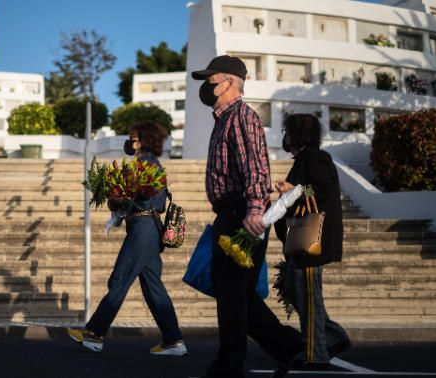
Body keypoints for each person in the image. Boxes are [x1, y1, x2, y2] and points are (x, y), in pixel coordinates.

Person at [191, 55, 303, 378]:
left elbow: (254, 166)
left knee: (232, 294)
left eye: (210, 80)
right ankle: (290, 347)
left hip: (242, 211)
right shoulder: (224, 119)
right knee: (236, 294)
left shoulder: (241, 117)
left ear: (228, 83)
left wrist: (255, 209)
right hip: (230, 212)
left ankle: (230, 364)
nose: (206, 86)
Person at [68, 121, 187, 356]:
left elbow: (134, 194)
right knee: (153, 287)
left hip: (143, 228)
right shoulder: (150, 163)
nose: (129, 142)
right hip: (148, 228)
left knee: (119, 279)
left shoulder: (146, 163)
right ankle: (173, 341)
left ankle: (95, 334)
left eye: (133, 138)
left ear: (143, 140)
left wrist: (114, 194)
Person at [274, 114, 352, 370]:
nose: (284, 135)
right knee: (296, 292)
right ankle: (332, 336)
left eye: (287, 131)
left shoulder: (317, 158)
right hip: (303, 242)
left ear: (297, 134)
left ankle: (316, 354)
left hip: (311, 242)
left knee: (307, 296)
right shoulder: (307, 158)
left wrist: (292, 190)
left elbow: (322, 191)